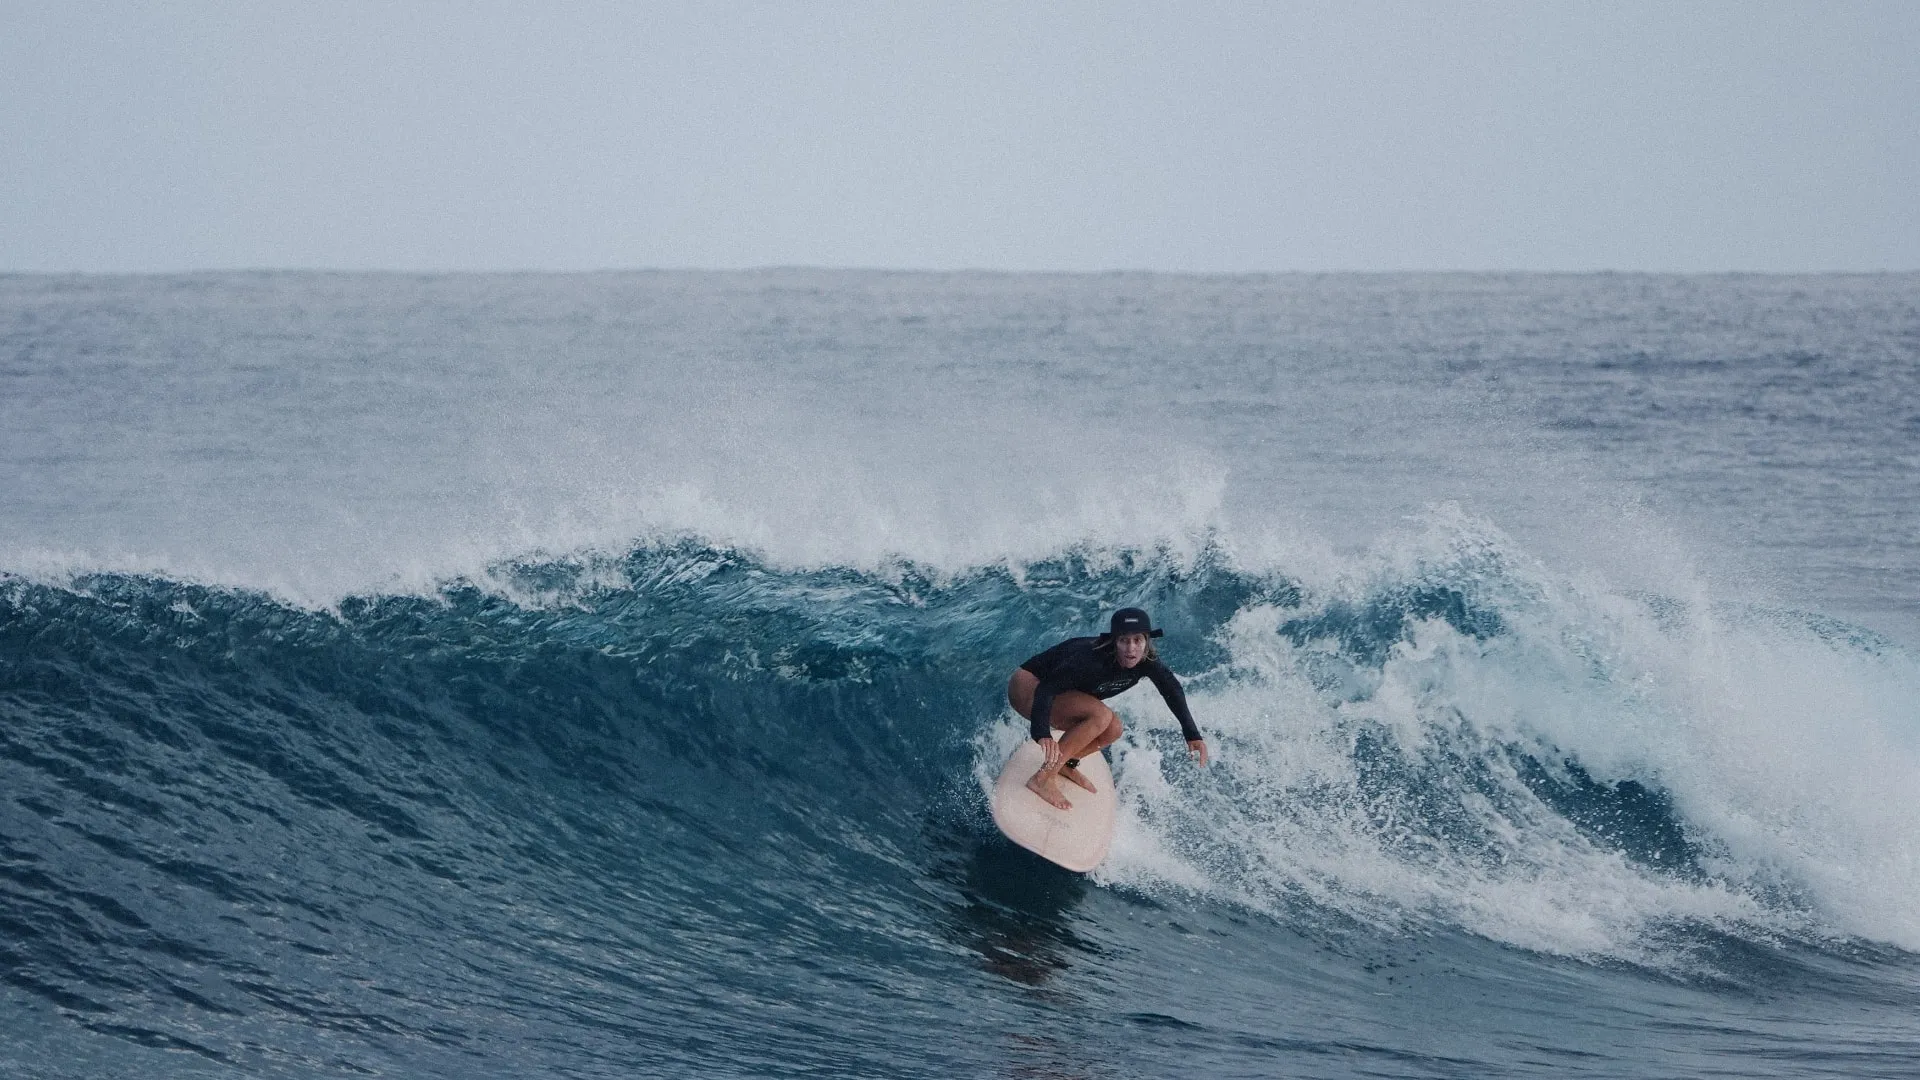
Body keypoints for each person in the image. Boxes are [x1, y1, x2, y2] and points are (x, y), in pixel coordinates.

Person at [1005, 607, 1209, 810]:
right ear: (1114, 642)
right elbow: (1047, 689)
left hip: (1056, 692)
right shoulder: (1090, 659)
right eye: (1124, 641)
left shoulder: (1147, 662)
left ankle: (1065, 764)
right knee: (1100, 715)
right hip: (1029, 688)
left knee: (1114, 728)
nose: (1131, 649)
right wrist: (1041, 732)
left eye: (1137, 640)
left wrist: (1192, 734)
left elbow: (1172, 689)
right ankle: (1042, 778)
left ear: (1147, 642)